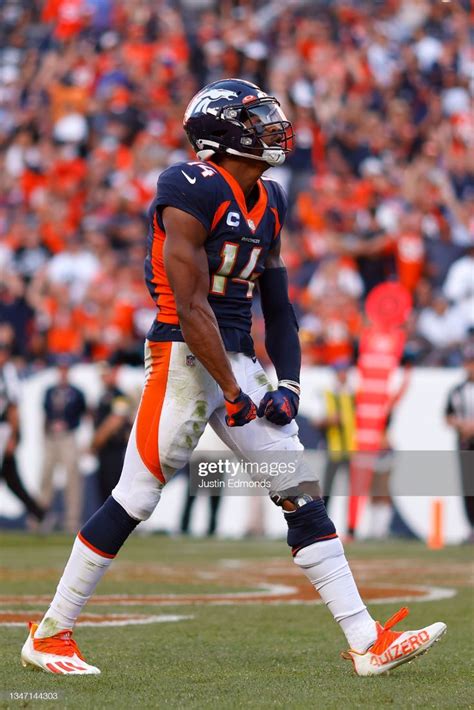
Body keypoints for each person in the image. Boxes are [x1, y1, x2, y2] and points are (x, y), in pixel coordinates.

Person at [21, 79, 445, 677]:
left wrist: (289, 385)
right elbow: (193, 307)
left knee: (298, 485)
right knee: (137, 495)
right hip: (184, 358)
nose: (272, 124)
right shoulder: (185, 186)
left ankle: (365, 640)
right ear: (222, 135)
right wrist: (234, 392)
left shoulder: (270, 197)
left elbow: (279, 305)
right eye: (256, 117)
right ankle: (52, 633)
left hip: (237, 359)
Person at [0, 331, 46, 525]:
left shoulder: (8, 372)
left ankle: (38, 512)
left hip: (3, 429)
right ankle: (39, 512)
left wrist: (13, 436)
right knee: (12, 478)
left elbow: (13, 406)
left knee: (12, 478)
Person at [39, 356, 87, 533]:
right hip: (52, 437)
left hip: (68, 436)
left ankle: (72, 520)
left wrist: (70, 425)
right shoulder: (50, 391)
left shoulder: (77, 393)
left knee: (72, 477)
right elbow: (45, 413)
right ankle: (41, 516)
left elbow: (83, 413)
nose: (63, 373)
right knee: (46, 476)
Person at [91, 362, 133, 505]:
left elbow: (115, 422)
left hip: (115, 449)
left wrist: (95, 442)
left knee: (112, 488)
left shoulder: (119, 396)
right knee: (102, 488)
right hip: (104, 450)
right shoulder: (103, 395)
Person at [445, 343, 474, 542]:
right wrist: (460, 425)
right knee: (468, 488)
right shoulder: (457, 390)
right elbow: (448, 416)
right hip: (465, 443)